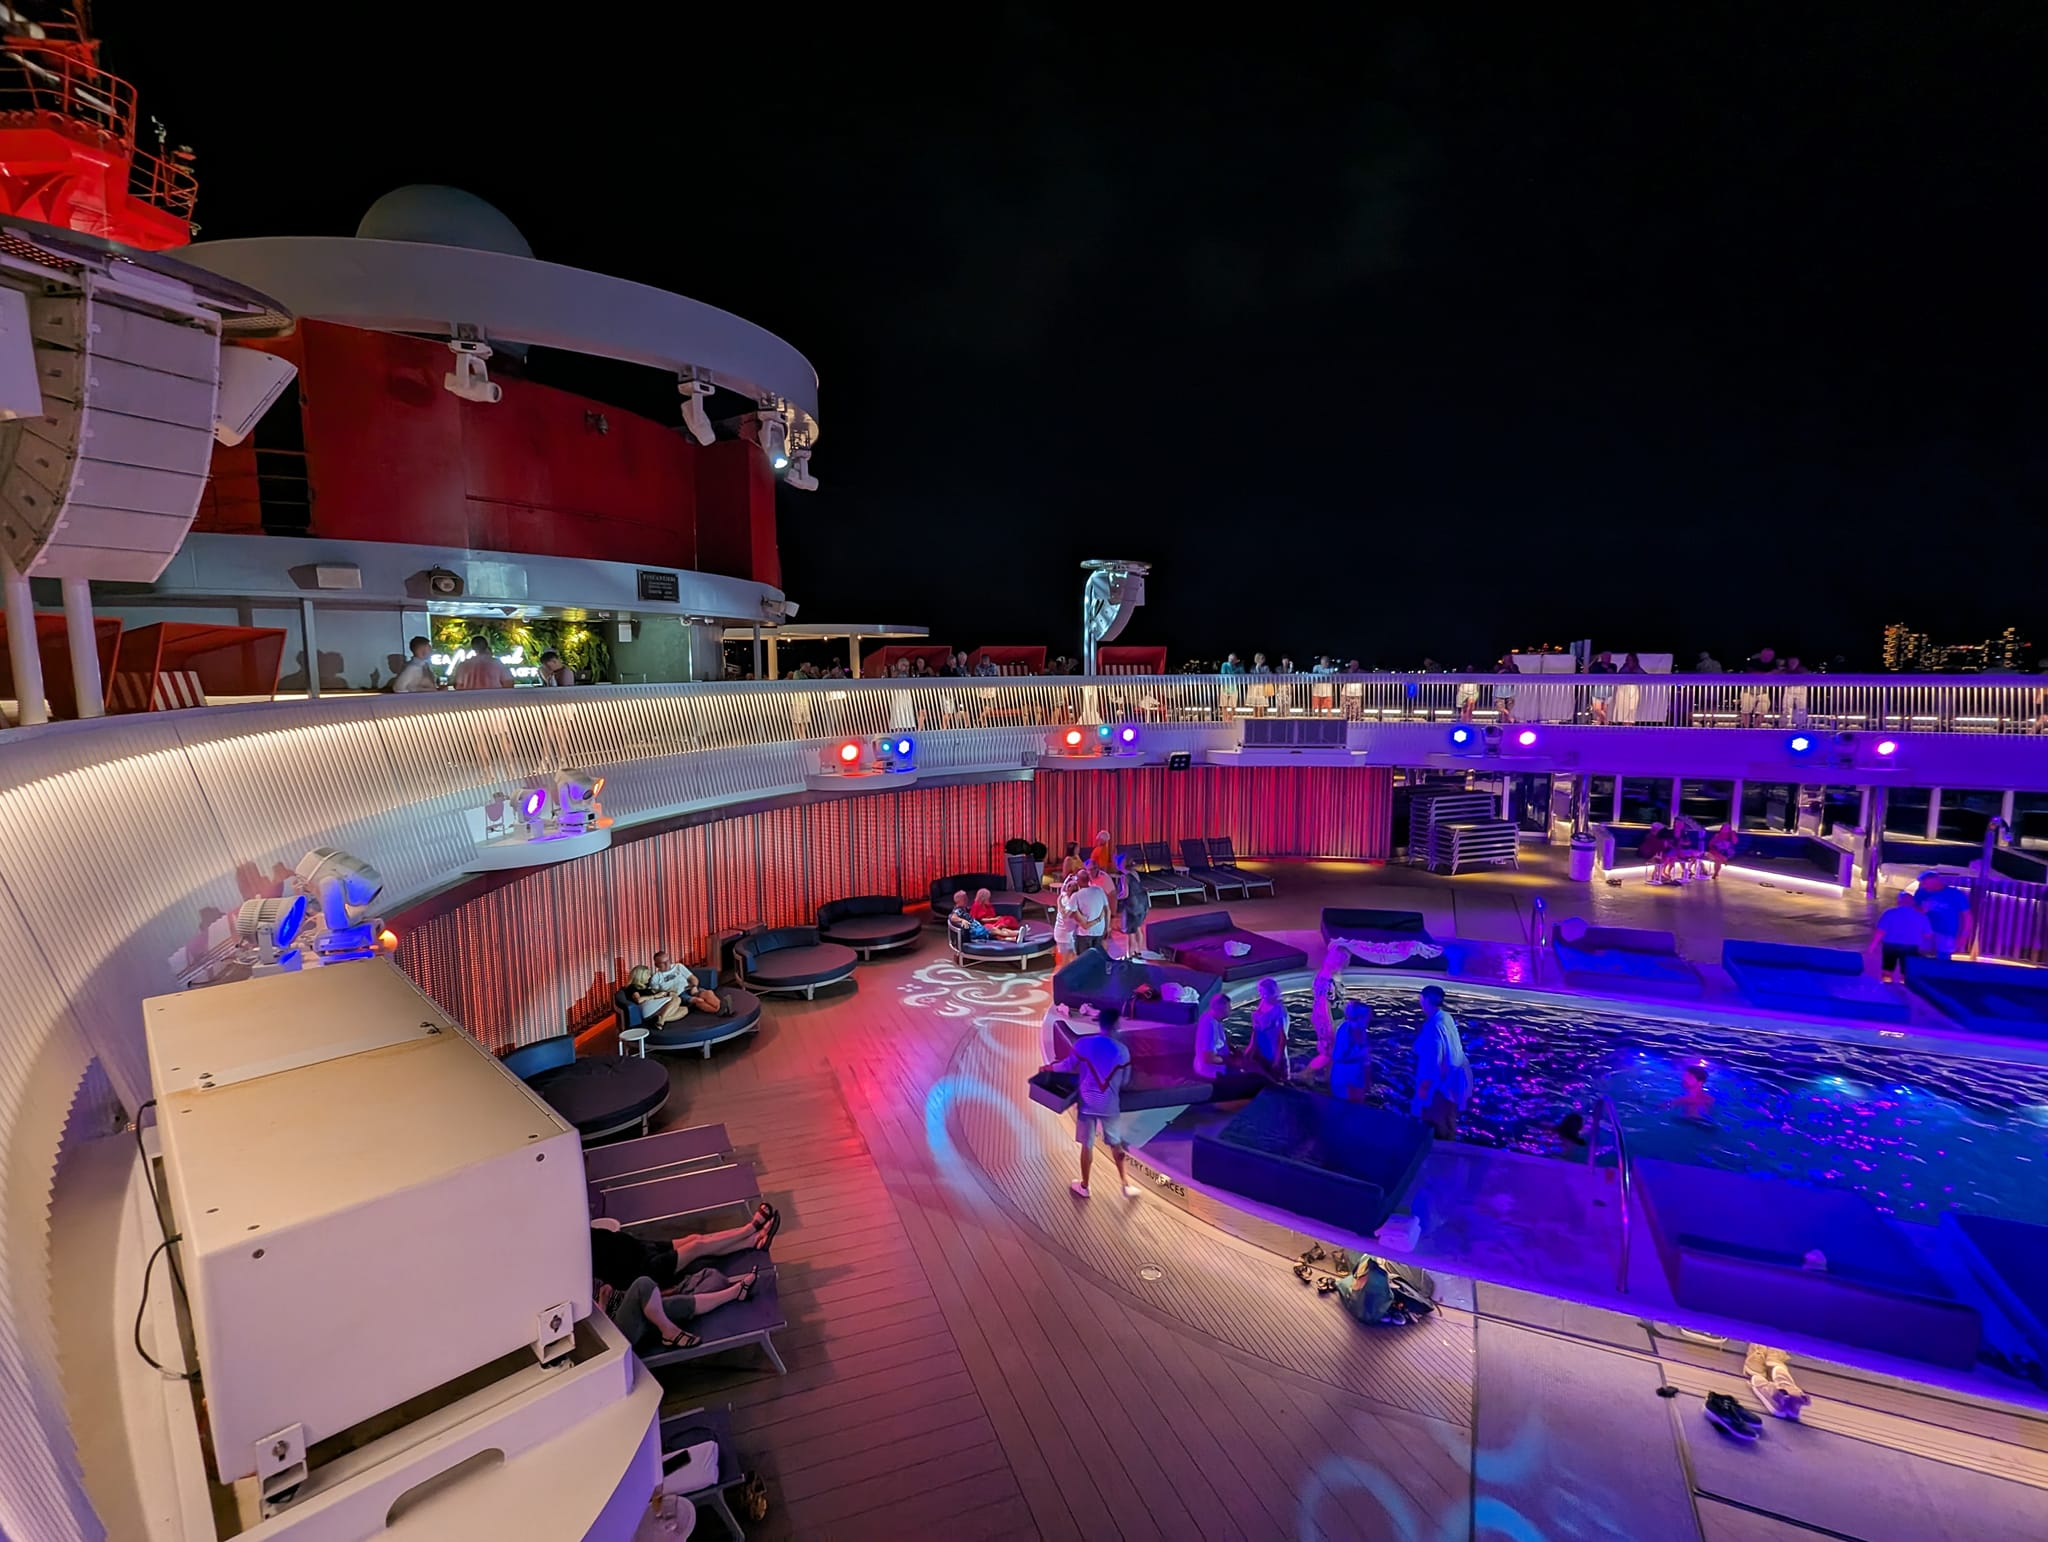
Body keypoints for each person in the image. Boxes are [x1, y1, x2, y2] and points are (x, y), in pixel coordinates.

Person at [591, 1215, 771, 1355]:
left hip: (642, 1253)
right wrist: (603, 1303)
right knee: (693, 1249)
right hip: (642, 1276)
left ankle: (750, 1241)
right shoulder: (580, 1263)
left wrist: (606, 1292)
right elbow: (593, 1327)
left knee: (695, 1240)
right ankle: (750, 1235)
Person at [1040, 1008, 1136, 1199]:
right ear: (1116, 1025)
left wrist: (1047, 1067)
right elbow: (1125, 1081)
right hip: (1110, 1104)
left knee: (1087, 1145)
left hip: (1087, 1103)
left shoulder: (1083, 1044)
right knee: (1115, 1144)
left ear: (1099, 1023)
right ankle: (1125, 1185)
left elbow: (1066, 1065)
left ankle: (1085, 1186)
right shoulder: (1123, 1051)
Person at [1412, 985, 1471, 1140]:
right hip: (1452, 1079)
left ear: (1424, 1000)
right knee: (1448, 1120)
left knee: (1436, 1124)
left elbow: (1433, 1060)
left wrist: (1425, 1086)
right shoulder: (1446, 1017)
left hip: (1438, 1085)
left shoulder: (1434, 1027)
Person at [1870, 890, 1935, 981]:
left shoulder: (1890, 913)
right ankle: (1903, 986)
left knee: (1887, 968)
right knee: (1906, 970)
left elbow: (1880, 931)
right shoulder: (1921, 916)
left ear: (1899, 902)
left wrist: (1872, 946)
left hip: (1890, 945)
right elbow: (1928, 934)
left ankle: (1887, 984)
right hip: (1911, 946)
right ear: (1912, 903)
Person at [1912, 871, 1972, 959]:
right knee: (1922, 958)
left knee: (1943, 960)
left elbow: (1967, 915)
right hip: (1924, 932)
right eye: (1922, 883)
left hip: (1947, 932)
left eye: (1925, 882)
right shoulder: (1921, 893)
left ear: (1934, 880)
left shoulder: (1955, 894)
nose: (1923, 885)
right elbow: (1913, 910)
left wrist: (1964, 935)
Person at [650, 949, 724, 1016]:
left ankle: (721, 1008)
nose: (667, 964)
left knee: (708, 993)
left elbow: (693, 978)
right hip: (678, 996)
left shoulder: (678, 967)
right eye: (663, 963)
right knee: (699, 1000)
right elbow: (657, 995)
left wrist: (694, 986)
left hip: (689, 988)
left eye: (668, 961)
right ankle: (721, 1009)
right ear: (657, 965)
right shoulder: (655, 978)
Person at [1249, 977, 1291, 1083]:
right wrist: (1249, 1051)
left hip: (1273, 1054)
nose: (1262, 995)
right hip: (1261, 1052)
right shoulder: (1262, 1004)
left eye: (1265, 993)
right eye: (1261, 992)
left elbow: (1282, 1038)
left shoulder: (1280, 1010)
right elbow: (1256, 1032)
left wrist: (1277, 1060)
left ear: (1272, 992)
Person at [1069, 860, 1112, 954]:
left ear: (1078, 880)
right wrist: (1107, 928)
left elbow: (1069, 914)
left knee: (1084, 960)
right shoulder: (1100, 890)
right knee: (1097, 957)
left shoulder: (1076, 896)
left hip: (1084, 934)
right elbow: (1108, 911)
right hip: (1099, 931)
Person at [1193, 992, 1234, 1080]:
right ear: (1219, 1009)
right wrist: (1230, 1061)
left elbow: (1218, 1043)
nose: (1231, 1009)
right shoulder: (1209, 1027)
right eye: (1228, 1007)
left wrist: (1231, 1048)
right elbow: (1208, 1058)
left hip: (1212, 1066)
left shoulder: (1209, 1017)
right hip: (1211, 1072)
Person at [451, 636, 516, 689]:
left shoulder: (463, 665)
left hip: (469, 702)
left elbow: (458, 686)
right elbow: (509, 684)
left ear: (473, 648)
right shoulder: (497, 664)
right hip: (494, 701)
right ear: (486, 646)